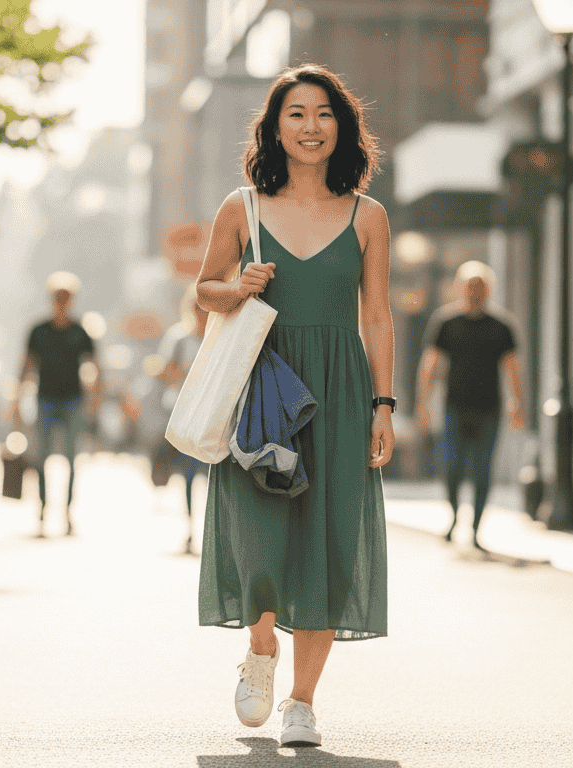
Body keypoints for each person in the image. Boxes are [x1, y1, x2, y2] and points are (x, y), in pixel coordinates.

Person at [195, 63, 393, 749]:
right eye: (297, 115)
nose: (311, 127)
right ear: (275, 129)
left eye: (324, 114)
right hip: (264, 389)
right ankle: (261, 646)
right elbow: (204, 291)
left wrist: (384, 404)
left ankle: (302, 702)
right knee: (259, 534)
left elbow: (379, 317)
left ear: (343, 127)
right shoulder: (240, 208)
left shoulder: (369, 217)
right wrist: (239, 286)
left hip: (339, 391)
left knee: (331, 541)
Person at [415, 261, 527, 550]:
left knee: (482, 470)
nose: (474, 291)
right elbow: (431, 365)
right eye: (469, 285)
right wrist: (423, 404)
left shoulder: (502, 327)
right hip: (455, 407)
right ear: (459, 288)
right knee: (452, 467)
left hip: (490, 409)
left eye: (480, 286)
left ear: (488, 290)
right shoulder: (446, 323)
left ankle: (476, 528)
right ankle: (454, 517)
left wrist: (518, 405)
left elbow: (513, 368)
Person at [11, 272, 101, 537]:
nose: (61, 301)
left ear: (72, 299)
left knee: (73, 459)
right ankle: (42, 510)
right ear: (51, 298)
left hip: (73, 401)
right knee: (41, 457)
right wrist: (16, 400)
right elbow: (26, 366)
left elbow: (93, 368)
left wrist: (94, 399)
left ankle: (67, 513)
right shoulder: (38, 331)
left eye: (66, 296)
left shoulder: (80, 332)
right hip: (45, 400)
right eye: (57, 296)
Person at [154, 286, 210, 553]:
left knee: (211, 476)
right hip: (184, 414)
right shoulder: (179, 338)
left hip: (211, 415)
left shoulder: (216, 336)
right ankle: (189, 528)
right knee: (187, 475)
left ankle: (211, 531)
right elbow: (165, 371)